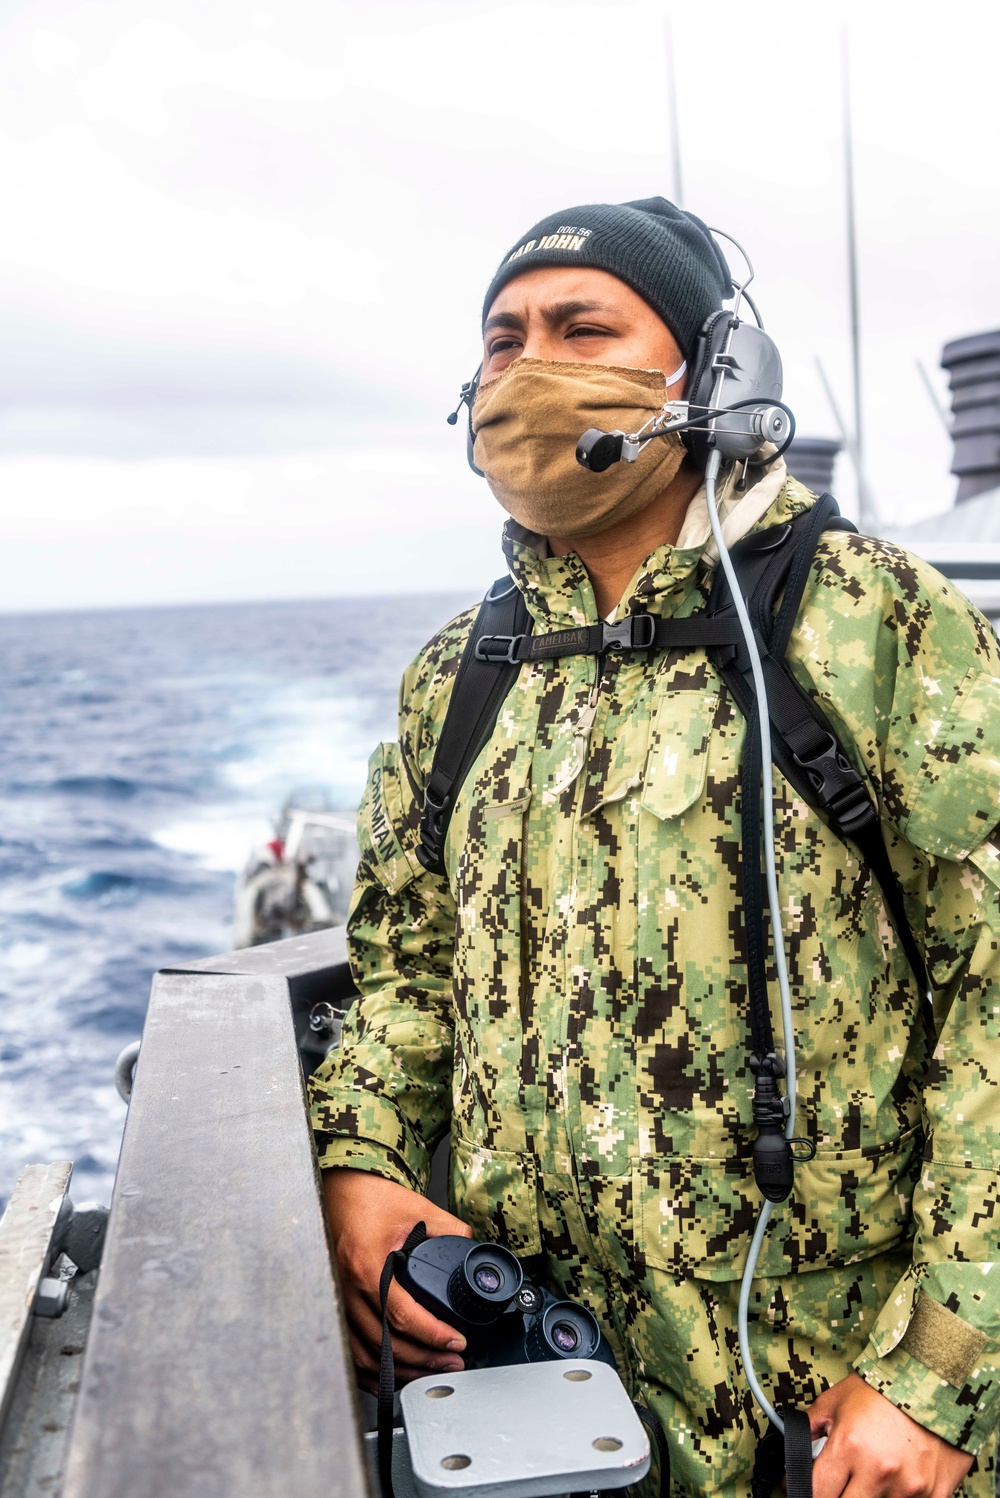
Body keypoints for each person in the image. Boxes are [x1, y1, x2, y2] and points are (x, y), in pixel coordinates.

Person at [309, 197, 1000, 1498]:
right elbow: (404, 968)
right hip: (536, 1403)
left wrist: (940, 1370)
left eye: (581, 326)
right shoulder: (460, 675)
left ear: (713, 375)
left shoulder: (878, 623)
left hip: (835, 1420)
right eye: (502, 339)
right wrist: (360, 1160)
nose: (528, 367)